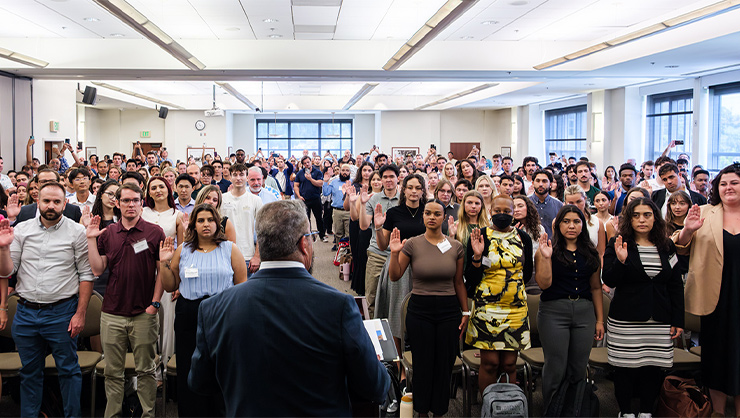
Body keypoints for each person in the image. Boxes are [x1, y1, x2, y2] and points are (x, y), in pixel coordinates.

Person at [188, 199, 390, 416]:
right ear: (304, 244)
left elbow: (200, 383)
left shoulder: (213, 308)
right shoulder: (338, 306)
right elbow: (375, 386)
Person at [0, 182, 94, 418]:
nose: (51, 206)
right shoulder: (21, 230)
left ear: (65, 203)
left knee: (69, 372)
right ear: (37, 202)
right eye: (46, 201)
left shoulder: (76, 232)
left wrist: (81, 313)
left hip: (62, 312)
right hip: (26, 312)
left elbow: (86, 275)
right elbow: (7, 271)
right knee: (30, 373)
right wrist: (3, 249)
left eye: (56, 201)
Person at [86, 183, 166, 418]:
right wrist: (91, 239)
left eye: (135, 200)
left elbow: (161, 271)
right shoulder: (108, 233)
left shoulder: (154, 232)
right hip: (112, 312)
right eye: (126, 201)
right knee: (113, 372)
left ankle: (148, 414)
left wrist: (155, 303)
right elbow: (98, 269)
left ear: (142, 203)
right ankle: (113, 414)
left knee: (146, 370)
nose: (131, 205)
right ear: (117, 203)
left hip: (144, 312)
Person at [159, 204, 247, 417]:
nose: (206, 224)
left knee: (222, 367)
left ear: (218, 223)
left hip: (222, 311)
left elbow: (242, 286)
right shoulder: (183, 250)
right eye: (200, 220)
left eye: (210, 220)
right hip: (189, 313)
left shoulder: (231, 249)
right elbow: (171, 286)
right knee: (190, 367)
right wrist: (164, 263)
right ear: (193, 225)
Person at [603, 198, 684, 418]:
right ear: (629, 218)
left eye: (647, 215)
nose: (641, 220)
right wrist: (621, 261)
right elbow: (608, 279)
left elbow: (675, 285)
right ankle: (626, 412)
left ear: (655, 218)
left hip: (659, 320)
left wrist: (678, 319)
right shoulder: (617, 242)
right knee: (624, 368)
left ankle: (647, 411)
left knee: (652, 367)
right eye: (636, 215)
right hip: (626, 320)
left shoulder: (666, 245)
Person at [388, 200, 469, 417]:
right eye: (427, 213)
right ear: (423, 217)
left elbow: (459, 282)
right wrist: (395, 253)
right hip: (420, 310)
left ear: (444, 217)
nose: (431, 217)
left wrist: (466, 311)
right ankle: (421, 411)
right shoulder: (412, 244)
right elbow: (395, 276)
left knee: (444, 364)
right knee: (423, 364)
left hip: (448, 310)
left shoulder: (456, 246)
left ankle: (440, 411)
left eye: (436, 213)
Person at [674, 164, 740, 416]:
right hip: (715, 297)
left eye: (734, 183)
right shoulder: (703, 212)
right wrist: (688, 230)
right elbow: (678, 247)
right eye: (723, 184)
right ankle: (718, 412)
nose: (728, 188)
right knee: (716, 356)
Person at [534, 205, 604, 405]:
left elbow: (596, 288)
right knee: (556, 366)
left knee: (579, 366)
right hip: (553, 313)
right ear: (558, 224)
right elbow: (544, 284)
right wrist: (546, 258)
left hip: (584, 312)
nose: (571, 226)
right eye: (566, 221)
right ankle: (553, 408)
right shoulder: (547, 249)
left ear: (583, 225)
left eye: (576, 221)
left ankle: (574, 407)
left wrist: (599, 320)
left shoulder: (590, 252)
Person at [466, 194, 533, 389]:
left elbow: (526, 274)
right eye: (497, 211)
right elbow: (470, 278)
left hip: (516, 309)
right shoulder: (481, 235)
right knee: (490, 363)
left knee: (510, 364)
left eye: (507, 211)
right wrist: (477, 256)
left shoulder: (523, 237)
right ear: (490, 212)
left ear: (513, 214)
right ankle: (490, 406)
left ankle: (508, 407)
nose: (501, 215)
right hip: (487, 308)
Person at [374, 174, 427, 370]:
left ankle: (418, 361)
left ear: (423, 191)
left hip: (423, 266)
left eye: (418, 188)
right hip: (398, 266)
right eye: (410, 187)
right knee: (397, 314)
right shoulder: (395, 212)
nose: (414, 191)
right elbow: (382, 245)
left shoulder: (428, 212)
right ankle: (400, 366)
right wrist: (378, 226)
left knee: (420, 314)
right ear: (403, 190)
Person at [141, 175, 185, 384]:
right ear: (148, 192)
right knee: (147, 321)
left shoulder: (177, 215)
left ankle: (165, 373)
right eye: (153, 187)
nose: (158, 190)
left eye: (162, 186)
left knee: (167, 323)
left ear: (169, 190)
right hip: (145, 271)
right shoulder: (142, 213)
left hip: (168, 272)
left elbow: (182, 250)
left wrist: (177, 280)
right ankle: (148, 370)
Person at [360, 164, 400, 317]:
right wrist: (363, 204)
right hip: (377, 253)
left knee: (395, 298)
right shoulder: (374, 198)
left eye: (391, 176)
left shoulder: (405, 198)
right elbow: (364, 226)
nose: (388, 180)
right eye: (385, 177)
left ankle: (395, 335)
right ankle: (373, 332)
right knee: (372, 296)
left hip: (399, 255)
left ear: (398, 178)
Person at [221, 163, 263, 276]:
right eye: (235, 175)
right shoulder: (222, 199)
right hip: (225, 255)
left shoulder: (255, 200)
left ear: (247, 177)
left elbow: (261, 229)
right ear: (229, 177)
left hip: (248, 256)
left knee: (247, 292)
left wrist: (257, 256)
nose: (238, 178)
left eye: (242, 174)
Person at [345, 162, 375, 295]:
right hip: (359, 225)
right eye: (365, 170)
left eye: (370, 170)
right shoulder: (356, 187)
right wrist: (351, 199)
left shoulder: (379, 192)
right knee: (359, 255)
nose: (367, 173)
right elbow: (352, 214)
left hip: (373, 229)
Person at [513, 194, 545, 295]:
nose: (516, 210)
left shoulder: (539, 229)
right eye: (513, 207)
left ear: (528, 208)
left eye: (520, 206)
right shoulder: (507, 229)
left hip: (535, 272)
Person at [294, 156, 326, 242]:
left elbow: (320, 183)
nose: (307, 164)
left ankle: (322, 235)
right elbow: (296, 186)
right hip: (304, 199)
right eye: (304, 163)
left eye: (308, 162)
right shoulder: (300, 173)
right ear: (303, 164)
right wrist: (299, 196)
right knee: (306, 219)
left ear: (311, 162)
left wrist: (310, 179)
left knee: (319, 218)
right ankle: (308, 235)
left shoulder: (318, 172)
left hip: (315, 198)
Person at [323, 163, 352, 245]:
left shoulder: (353, 182)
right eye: (343, 170)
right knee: (338, 233)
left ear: (350, 172)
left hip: (349, 212)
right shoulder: (334, 182)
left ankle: (349, 254)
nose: (344, 172)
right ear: (340, 171)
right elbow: (326, 193)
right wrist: (325, 182)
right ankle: (339, 253)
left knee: (349, 233)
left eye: (347, 170)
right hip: (337, 211)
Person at [529, 170, 563, 238]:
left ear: (550, 184)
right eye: (538, 181)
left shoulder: (558, 205)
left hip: (553, 245)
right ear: (533, 183)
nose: (541, 184)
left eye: (544, 181)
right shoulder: (525, 203)